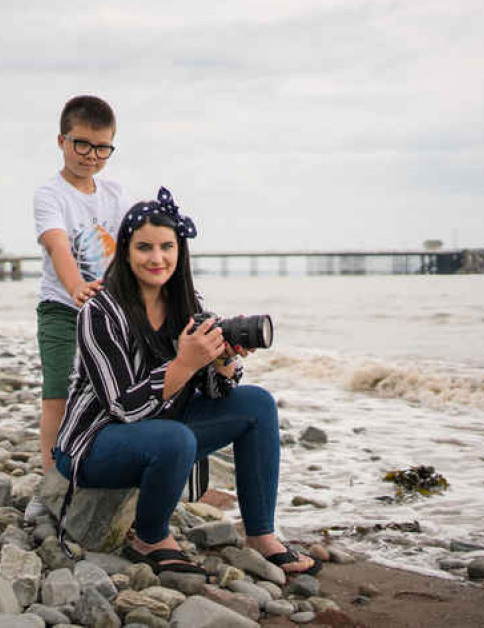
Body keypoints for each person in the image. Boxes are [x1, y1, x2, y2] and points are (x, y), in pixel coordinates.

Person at [53, 187, 320, 577]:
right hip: (97, 443)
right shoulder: (100, 312)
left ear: (180, 252)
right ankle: (150, 537)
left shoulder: (188, 305)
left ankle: (261, 533)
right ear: (125, 252)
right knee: (175, 437)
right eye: (144, 248)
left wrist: (222, 362)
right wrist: (183, 363)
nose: (157, 258)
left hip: (160, 431)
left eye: (167, 247)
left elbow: (214, 393)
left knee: (257, 404)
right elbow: (123, 408)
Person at [26, 95, 133, 520]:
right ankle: (52, 485)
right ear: (62, 140)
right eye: (82, 144)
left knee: (111, 397)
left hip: (111, 312)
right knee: (59, 396)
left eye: (102, 147)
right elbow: (56, 245)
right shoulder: (50, 195)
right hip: (62, 309)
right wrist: (76, 289)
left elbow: (131, 249)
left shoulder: (114, 193)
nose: (91, 155)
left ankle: (98, 474)